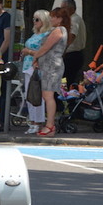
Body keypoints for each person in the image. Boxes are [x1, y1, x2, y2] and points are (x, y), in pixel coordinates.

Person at [22, 7, 69, 136]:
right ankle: (49, 125)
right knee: (45, 96)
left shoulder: (59, 30)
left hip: (52, 66)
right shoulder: (55, 30)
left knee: (48, 97)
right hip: (47, 66)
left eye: (54, 16)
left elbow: (45, 48)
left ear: (60, 19)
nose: (51, 19)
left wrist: (35, 56)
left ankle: (50, 125)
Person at [22, 10, 51, 134]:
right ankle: (32, 120)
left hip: (37, 66)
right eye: (34, 19)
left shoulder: (46, 35)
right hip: (28, 66)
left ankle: (37, 122)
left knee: (37, 95)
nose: (34, 22)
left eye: (37, 20)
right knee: (30, 96)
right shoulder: (35, 34)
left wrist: (28, 52)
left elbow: (43, 52)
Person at [60, 0, 86, 86]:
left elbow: (71, 36)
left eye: (64, 8)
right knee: (70, 80)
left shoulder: (74, 20)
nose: (62, 10)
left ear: (72, 9)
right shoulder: (70, 19)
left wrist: (63, 50)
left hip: (72, 55)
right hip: (71, 54)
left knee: (70, 80)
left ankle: (72, 99)